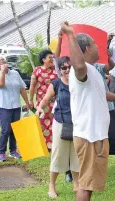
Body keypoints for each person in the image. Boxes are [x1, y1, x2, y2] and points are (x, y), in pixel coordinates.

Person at [60, 21, 115, 201]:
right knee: (86, 185)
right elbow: (78, 66)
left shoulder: (92, 70)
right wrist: (70, 36)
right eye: (95, 44)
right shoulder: (81, 70)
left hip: (96, 135)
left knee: (89, 185)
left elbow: (99, 93)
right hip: (89, 136)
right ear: (88, 49)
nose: (98, 47)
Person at [36, 57, 80, 198]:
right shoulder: (56, 83)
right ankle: (52, 186)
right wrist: (39, 109)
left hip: (78, 123)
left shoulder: (79, 83)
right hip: (61, 122)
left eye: (69, 67)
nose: (67, 70)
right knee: (58, 154)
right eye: (64, 68)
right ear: (59, 70)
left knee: (76, 154)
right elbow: (45, 99)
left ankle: (77, 184)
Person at [0, 55, 32, 162]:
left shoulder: (15, 73)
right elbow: (0, 84)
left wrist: (27, 102)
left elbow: (22, 88)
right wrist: (3, 73)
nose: (2, 62)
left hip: (16, 105)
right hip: (4, 106)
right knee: (5, 130)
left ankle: (13, 151)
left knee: (15, 129)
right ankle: (1, 152)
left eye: (3, 60)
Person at [29, 49, 58, 148]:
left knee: (54, 122)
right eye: (50, 58)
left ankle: (53, 144)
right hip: (42, 102)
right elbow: (32, 86)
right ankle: (43, 145)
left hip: (55, 101)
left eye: (53, 58)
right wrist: (30, 100)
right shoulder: (37, 70)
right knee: (42, 122)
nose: (52, 60)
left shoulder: (57, 69)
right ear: (43, 59)